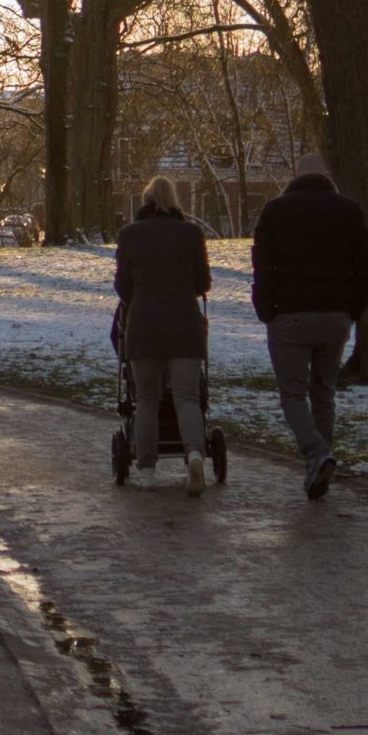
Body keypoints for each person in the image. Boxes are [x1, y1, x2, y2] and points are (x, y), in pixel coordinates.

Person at [251, 154, 368, 499]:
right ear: (326, 177)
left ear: (295, 177)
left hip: (289, 315)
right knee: (324, 391)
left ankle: (317, 454)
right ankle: (321, 464)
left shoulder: (275, 212)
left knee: (293, 393)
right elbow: (365, 266)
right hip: (335, 315)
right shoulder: (349, 211)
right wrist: (353, 310)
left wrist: (266, 309)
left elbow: (263, 265)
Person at [114, 176, 213, 495]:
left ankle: (147, 470)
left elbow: (123, 287)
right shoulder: (191, 233)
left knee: (146, 400)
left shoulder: (129, 235)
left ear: (145, 202)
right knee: (187, 397)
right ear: (174, 201)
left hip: (144, 328)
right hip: (184, 326)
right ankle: (195, 454)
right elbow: (203, 283)